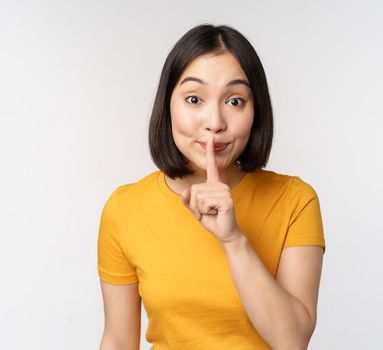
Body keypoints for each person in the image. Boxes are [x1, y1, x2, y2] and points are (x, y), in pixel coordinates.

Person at [97, 24, 325, 350]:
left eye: (235, 101)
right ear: (168, 106)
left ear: (256, 110)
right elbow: (118, 340)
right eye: (194, 99)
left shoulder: (294, 200)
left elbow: (292, 341)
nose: (215, 122)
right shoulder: (125, 208)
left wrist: (233, 240)